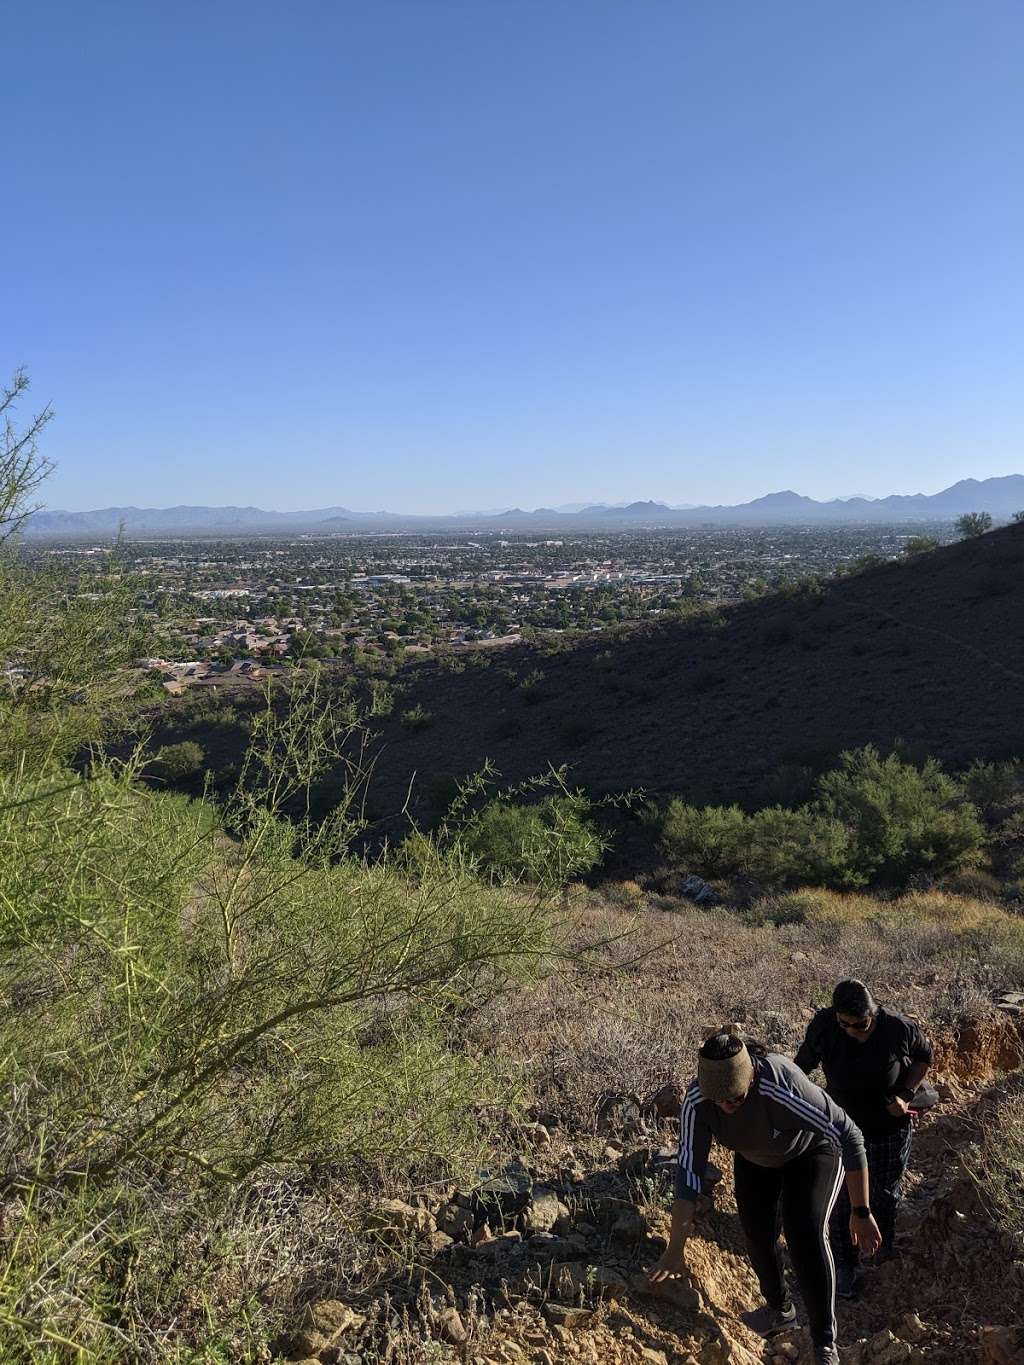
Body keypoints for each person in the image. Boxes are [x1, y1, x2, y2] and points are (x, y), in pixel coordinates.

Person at [650, 1031, 881, 1365]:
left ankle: (824, 1343)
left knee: (806, 1233)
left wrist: (860, 1210)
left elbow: (849, 1134)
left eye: (736, 1099)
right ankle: (781, 1310)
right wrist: (674, 1251)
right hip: (756, 1158)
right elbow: (688, 1177)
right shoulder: (699, 1101)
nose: (727, 1107)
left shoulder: (779, 1084)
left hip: (812, 1151)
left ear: (752, 1078)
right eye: (720, 1101)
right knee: (757, 1236)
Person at [794, 979, 933, 1299]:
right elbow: (801, 1069)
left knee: (884, 1192)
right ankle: (846, 1264)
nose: (851, 1030)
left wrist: (906, 1094)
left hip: (888, 1127)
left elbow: (925, 1057)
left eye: (859, 1024)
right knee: (843, 1199)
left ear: (873, 1014)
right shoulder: (825, 1027)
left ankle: (881, 1247)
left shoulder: (897, 1028)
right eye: (844, 1023)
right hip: (841, 1127)